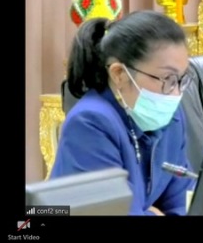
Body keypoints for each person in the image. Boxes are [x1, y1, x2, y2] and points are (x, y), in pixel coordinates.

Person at [50, 11, 193, 216]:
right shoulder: (90, 124)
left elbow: (184, 203)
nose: (176, 92)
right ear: (119, 74)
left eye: (181, 79)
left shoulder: (171, 116)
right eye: (167, 78)